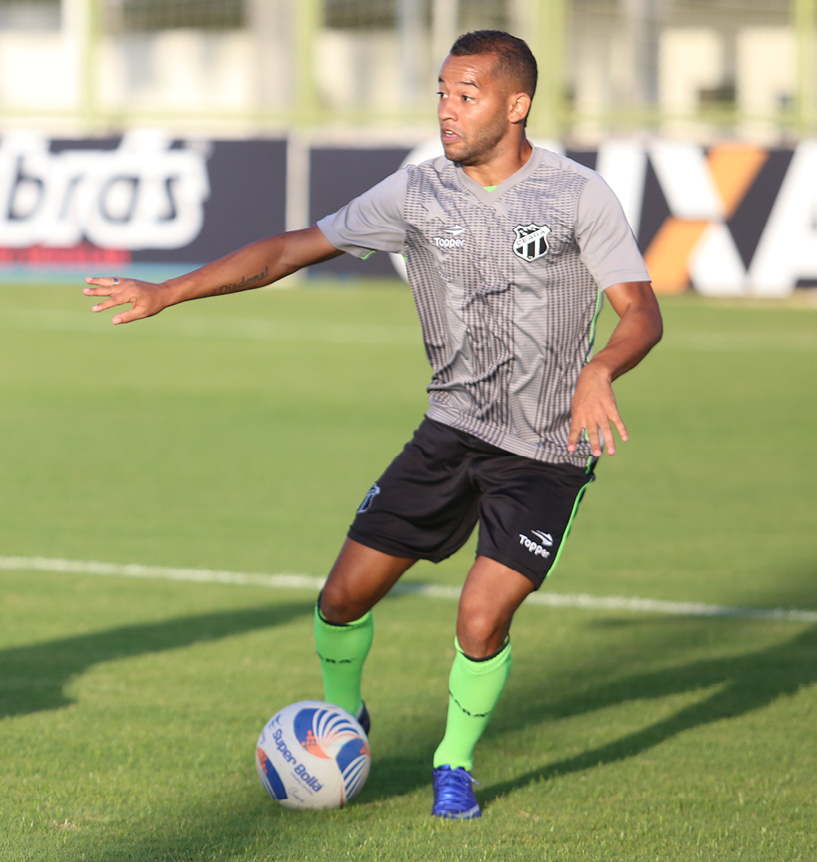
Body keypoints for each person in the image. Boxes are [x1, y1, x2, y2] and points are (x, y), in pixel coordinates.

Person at [83, 30, 662, 819]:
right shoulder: (415, 194)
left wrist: (599, 371)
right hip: (449, 434)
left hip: (544, 454)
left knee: (480, 617)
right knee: (340, 599)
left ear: (516, 105)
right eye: (440, 94)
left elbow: (641, 312)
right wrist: (168, 291)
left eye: (466, 96)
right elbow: (292, 248)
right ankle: (344, 719)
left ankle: (452, 763)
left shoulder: (576, 196)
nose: (446, 112)